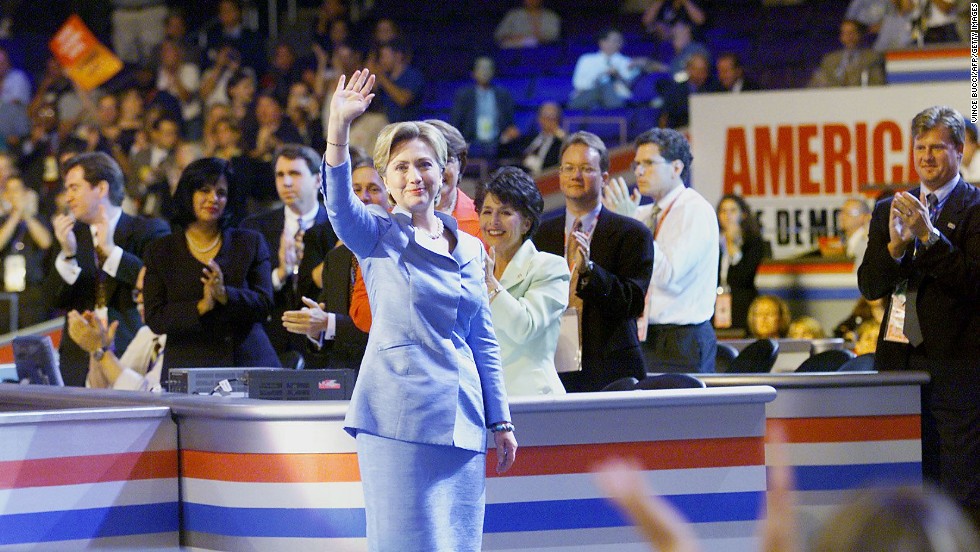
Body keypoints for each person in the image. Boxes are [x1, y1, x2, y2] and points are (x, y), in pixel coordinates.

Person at [321, 69, 516, 551]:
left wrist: (501, 419)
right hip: (397, 421)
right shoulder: (378, 235)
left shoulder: (471, 248)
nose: (415, 175)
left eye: (425, 164)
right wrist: (338, 132)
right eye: (402, 166)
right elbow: (341, 209)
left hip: (463, 420)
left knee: (459, 542)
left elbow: (482, 340)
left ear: (444, 172)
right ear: (386, 180)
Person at [857, 105, 980, 524]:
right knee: (902, 490)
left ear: (960, 150)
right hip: (898, 365)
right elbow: (870, 287)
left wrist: (929, 236)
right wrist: (894, 249)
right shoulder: (889, 208)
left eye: (938, 148)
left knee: (958, 491)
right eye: (920, 147)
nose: (926, 156)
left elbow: (973, 284)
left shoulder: (976, 207)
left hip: (957, 371)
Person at [532, 131, 654, 392]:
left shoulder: (632, 234)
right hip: (551, 366)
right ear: (560, 175)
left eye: (586, 169)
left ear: (605, 178)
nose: (576, 176)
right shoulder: (540, 235)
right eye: (569, 168)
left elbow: (632, 302)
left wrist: (589, 271)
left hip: (611, 371)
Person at [44, 152, 170, 387]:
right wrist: (68, 255)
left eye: (74, 188)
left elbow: (157, 282)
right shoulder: (71, 237)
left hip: (130, 357)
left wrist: (111, 252)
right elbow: (52, 300)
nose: (67, 197)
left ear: (101, 188)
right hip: (78, 362)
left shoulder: (148, 231)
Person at [142, 157, 280, 372]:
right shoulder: (161, 251)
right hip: (188, 365)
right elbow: (155, 318)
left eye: (221, 193)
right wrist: (201, 307)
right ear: (188, 194)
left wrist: (225, 295)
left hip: (248, 362)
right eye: (204, 190)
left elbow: (264, 305)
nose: (213, 198)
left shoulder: (249, 242)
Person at [603, 128, 718, 373]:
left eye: (649, 163)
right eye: (636, 164)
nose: (639, 171)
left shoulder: (695, 210)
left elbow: (669, 277)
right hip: (643, 336)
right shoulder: (642, 213)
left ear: (676, 168)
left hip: (681, 340)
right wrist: (614, 222)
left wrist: (631, 224)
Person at [283, 154, 385, 370]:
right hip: (343, 380)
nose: (363, 197)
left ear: (391, 196)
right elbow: (327, 333)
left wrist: (328, 323)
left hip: (387, 375)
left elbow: (389, 327)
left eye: (374, 189)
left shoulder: (400, 253)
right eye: (355, 190)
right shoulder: (336, 258)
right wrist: (316, 331)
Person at [478, 166, 568, 396]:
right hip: (485, 398)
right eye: (487, 212)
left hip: (533, 398)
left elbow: (524, 327)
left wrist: (490, 283)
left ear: (526, 223)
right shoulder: (474, 268)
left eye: (505, 213)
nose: (493, 221)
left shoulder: (549, 267)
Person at [241, 144, 334, 359]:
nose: (287, 182)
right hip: (269, 346)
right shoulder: (255, 228)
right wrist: (280, 274)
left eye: (295, 173)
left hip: (322, 348)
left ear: (318, 180)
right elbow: (247, 292)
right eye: (280, 175)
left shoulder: (336, 228)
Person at [67, 267, 167, 392]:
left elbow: (147, 394)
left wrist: (100, 350)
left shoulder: (183, 340)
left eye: (146, 291)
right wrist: (97, 349)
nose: (140, 299)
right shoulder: (146, 334)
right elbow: (102, 390)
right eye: (137, 292)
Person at [449, 57, 520, 160]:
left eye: (488, 69)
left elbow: (510, 123)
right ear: (473, 73)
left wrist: (509, 132)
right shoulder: (464, 95)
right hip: (471, 143)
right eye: (481, 69)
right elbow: (455, 122)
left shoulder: (503, 95)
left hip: (497, 143)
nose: (485, 72)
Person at [716, 194, 765, 333]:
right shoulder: (713, 241)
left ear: (743, 214)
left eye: (732, 210)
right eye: (723, 211)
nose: (728, 216)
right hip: (716, 304)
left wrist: (733, 248)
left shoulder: (753, 242)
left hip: (742, 304)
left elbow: (744, 277)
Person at [425, 119, 481, 238]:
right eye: (427, 162)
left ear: (461, 164)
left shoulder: (484, 221)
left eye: (446, 160)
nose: (438, 171)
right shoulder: (391, 221)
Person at [569, 28, 643, 110]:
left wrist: (618, 76)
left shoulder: (627, 62)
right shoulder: (586, 59)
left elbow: (629, 89)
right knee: (603, 87)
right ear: (602, 42)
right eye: (614, 41)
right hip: (588, 95)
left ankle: (616, 116)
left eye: (619, 41)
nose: (618, 44)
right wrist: (601, 75)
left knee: (608, 88)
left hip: (616, 98)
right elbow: (578, 84)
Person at [809, 19, 886, 88]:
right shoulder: (830, 59)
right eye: (845, 33)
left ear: (860, 34)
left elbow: (878, 83)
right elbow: (816, 83)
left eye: (852, 32)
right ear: (841, 36)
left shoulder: (872, 57)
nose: (849, 37)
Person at [366, 38, 425, 124]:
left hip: (409, 126)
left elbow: (403, 100)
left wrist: (381, 78)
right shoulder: (386, 76)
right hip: (386, 125)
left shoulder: (413, 76)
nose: (382, 61)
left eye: (385, 56)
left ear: (398, 56)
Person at [503, 101, 565, 176]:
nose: (548, 121)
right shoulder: (528, 138)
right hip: (520, 174)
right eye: (545, 116)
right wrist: (506, 137)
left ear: (558, 120)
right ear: (539, 119)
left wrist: (560, 134)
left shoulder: (560, 143)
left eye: (552, 117)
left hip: (543, 178)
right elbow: (507, 153)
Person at [494, 0, 561, 48]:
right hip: (517, 52)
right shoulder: (513, 15)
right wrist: (515, 38)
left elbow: (553, 36)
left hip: (544, 52)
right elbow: (500, 35)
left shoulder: (551, 16)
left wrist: (535, 39)